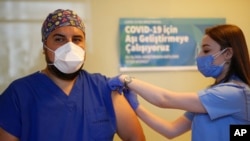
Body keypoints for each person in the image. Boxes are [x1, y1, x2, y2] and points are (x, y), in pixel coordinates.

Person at [0, 9, 145, 141]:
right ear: (44, 47)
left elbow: (136, 138)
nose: (70, 47)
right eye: (59, 39)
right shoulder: (18, 95)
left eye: (77, 39)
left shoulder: (105, 89)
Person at [108, 24, 250, 141]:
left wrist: (126, 79)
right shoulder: (210, 96)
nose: (200, 56)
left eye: (206, 50)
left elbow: (165, 99)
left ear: (228, 54)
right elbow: (171, 130)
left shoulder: (235, 94)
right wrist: (136, 107)